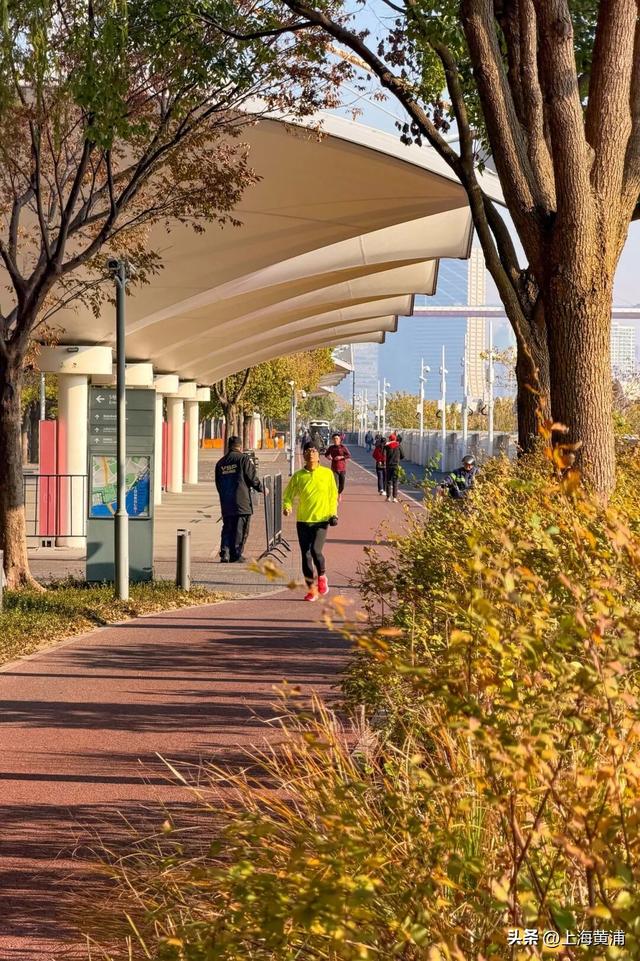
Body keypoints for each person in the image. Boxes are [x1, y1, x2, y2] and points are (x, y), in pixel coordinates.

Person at [283, 442, 338, 601]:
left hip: (322, 519)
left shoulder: (327, 474)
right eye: (307, 451)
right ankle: (311, 589)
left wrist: (333, 514)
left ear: (318, 454)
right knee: (305, 555)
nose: (310, 453)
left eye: (313, 450)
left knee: (315, 551)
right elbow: (288, 495)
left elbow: (332, 495)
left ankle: (322, 576)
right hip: (303, 520)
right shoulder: (298, 476)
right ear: (304, 455)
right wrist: (287, 506)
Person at [214, 436, 266, 563]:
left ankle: (225, 553)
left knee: (227, 527)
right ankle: (236, 554)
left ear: (228, 446)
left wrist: (224, 496)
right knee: (240, 529)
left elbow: (218, 483)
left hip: (226, 501)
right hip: (242, 502)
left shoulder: (220, 463)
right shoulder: (243, 459)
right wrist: (262, 488)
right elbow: (251, 478)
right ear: (240, 446)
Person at [324, 432, 351, 502]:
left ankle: (339, 493)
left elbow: (348, 455)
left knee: (342, 485)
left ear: (339, 440)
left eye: (337, 438)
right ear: (332, 440)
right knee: (335, 484)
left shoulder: (343, 447)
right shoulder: (331, 448)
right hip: (334, 468)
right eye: (334, 439)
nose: (335, 440)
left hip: (342, 468)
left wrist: (341, 457)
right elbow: (326, 454)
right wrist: (328, 457)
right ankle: (336, 495)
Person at [384, 432, 405, 502]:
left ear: (390, 439)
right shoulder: (398, 446)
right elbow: (403, 455)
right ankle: (395, 498)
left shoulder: (387, 446)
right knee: (395, 481)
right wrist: (398, 458)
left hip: (389, 466)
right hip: (396, 465)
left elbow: (383, 454)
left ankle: (388, 497)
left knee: (388, 481)